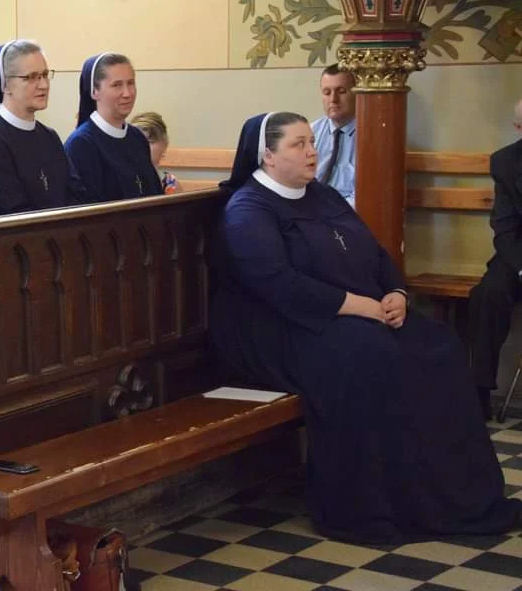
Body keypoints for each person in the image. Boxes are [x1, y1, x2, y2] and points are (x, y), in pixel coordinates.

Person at [209, 111, 520, 544]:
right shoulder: (249, 209)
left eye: (310, 141)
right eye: (299, 144)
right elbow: (276, 283)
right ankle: (374, 505)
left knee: (440, 345)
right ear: (268, 155)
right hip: (279, 328)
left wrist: (396, 293)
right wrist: (357, 306)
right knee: (372, 354)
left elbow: (375, 252)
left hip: (354, 313)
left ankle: (453, 496)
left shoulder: (322, 196)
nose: (312, 151)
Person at [0, 40, 84, 215]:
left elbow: (76, 193)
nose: (44, 85)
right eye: (31, 77)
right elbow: (11, 213)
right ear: (5, 84)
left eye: (45, 75)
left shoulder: (49, 136)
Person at [469, 98, 522, 419]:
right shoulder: (505, 162)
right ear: (518, 128)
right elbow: (504, 227)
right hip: (517, 253)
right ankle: (479, 392)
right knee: (488, 295)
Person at [64, 53, 161, 202]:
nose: (127, 93)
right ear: (94, 91)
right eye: (117, 85)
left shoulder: (137, 137)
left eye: (130, 83)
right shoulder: (81, 144)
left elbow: (155, 195)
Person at [311, 64, 356, 206]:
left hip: (348, 213)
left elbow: (364, 197)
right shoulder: (311, 133)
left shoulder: (372, 137)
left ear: (357, 93)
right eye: (327, 92)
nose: (333, 99)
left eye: (341, 91)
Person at [130, 112, 180, 194]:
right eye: (135, 142)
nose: (141, 146)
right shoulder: (123, 179)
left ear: (164, 145)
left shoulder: (170, 183)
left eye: (149, 141)